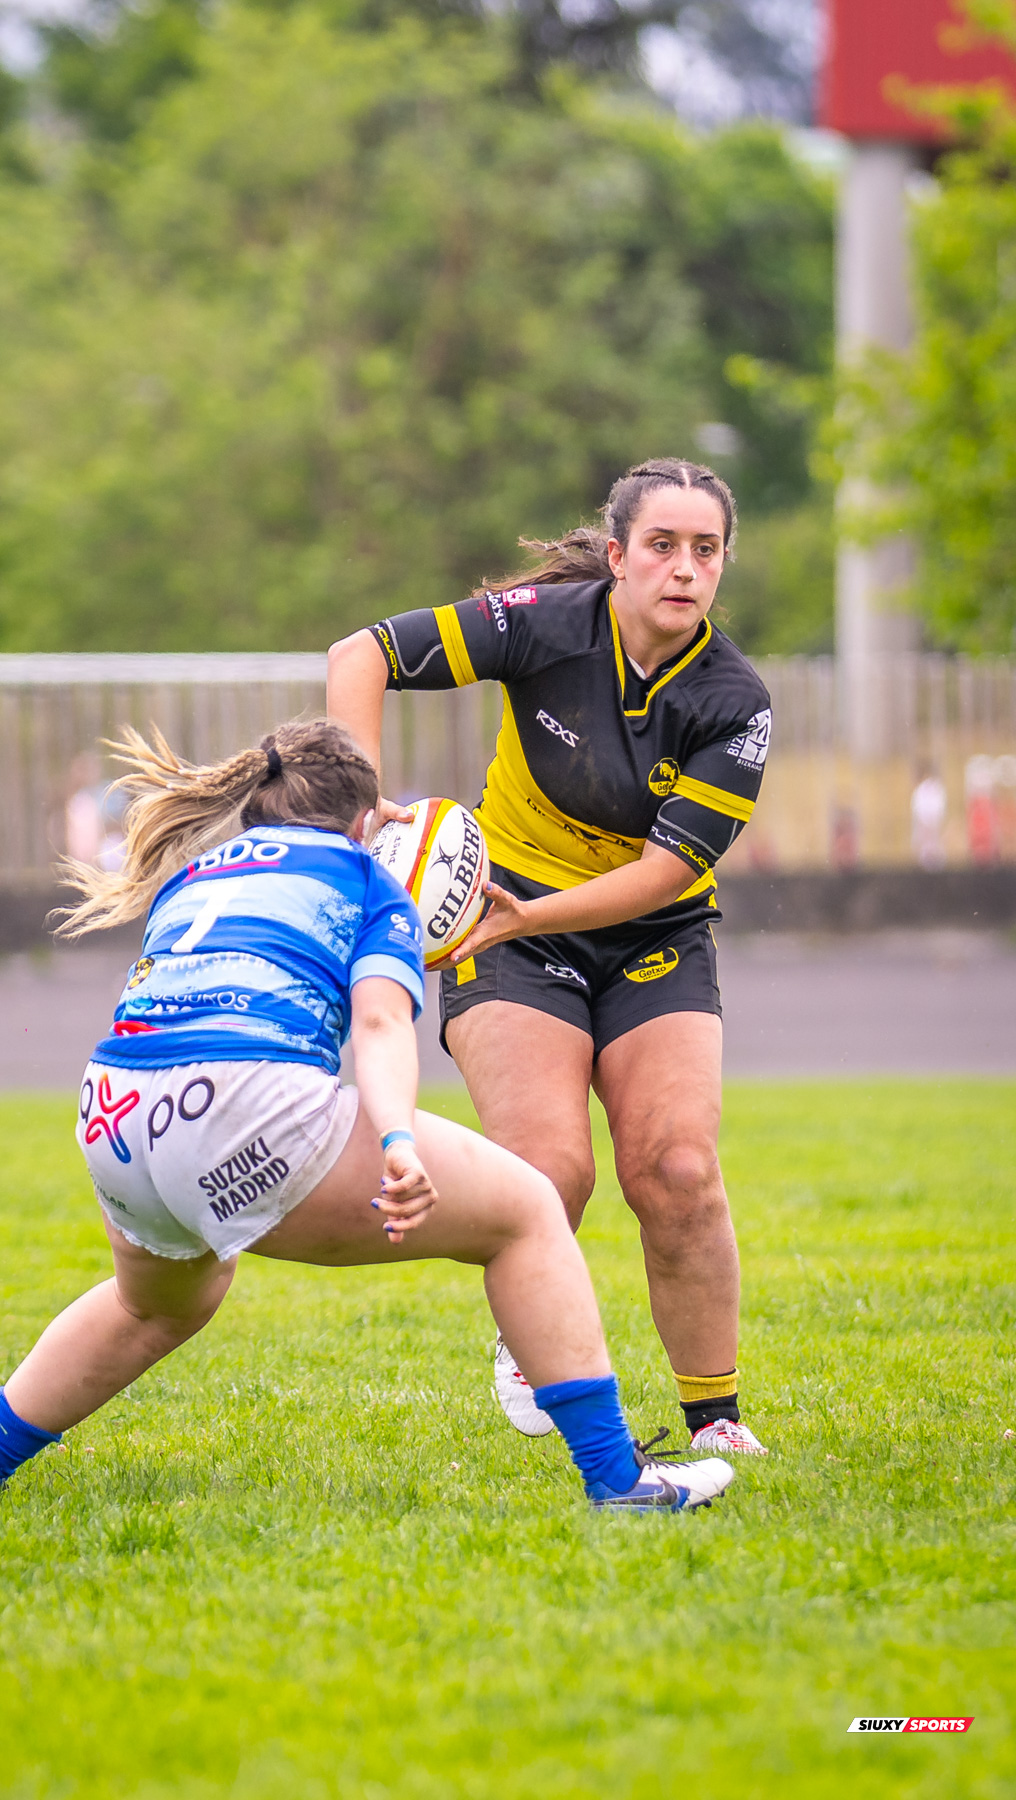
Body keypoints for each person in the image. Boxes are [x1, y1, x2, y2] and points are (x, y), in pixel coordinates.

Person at [0, 718, 735, 1513]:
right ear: (370, 818)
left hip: (114, 1114)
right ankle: (617, 1481)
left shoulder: (204, 869)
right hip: (241, 1103)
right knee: (525, 1211)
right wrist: (398, 1137)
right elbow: (379, 1025)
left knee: (153, 1305)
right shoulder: (369, 881)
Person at [327, 458, 771, 1455]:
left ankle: (716, 1420)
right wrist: (357, 801)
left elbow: (666, 873)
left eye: (707, 550)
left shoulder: (736, 702)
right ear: (616, 558)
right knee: (550, 1169)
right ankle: (527, 1336)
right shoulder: (544, 622)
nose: (684, 568)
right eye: (661, 545)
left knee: (678, 1168)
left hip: (649, 938)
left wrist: (537, 915)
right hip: (498, 922)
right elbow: (358, 653)